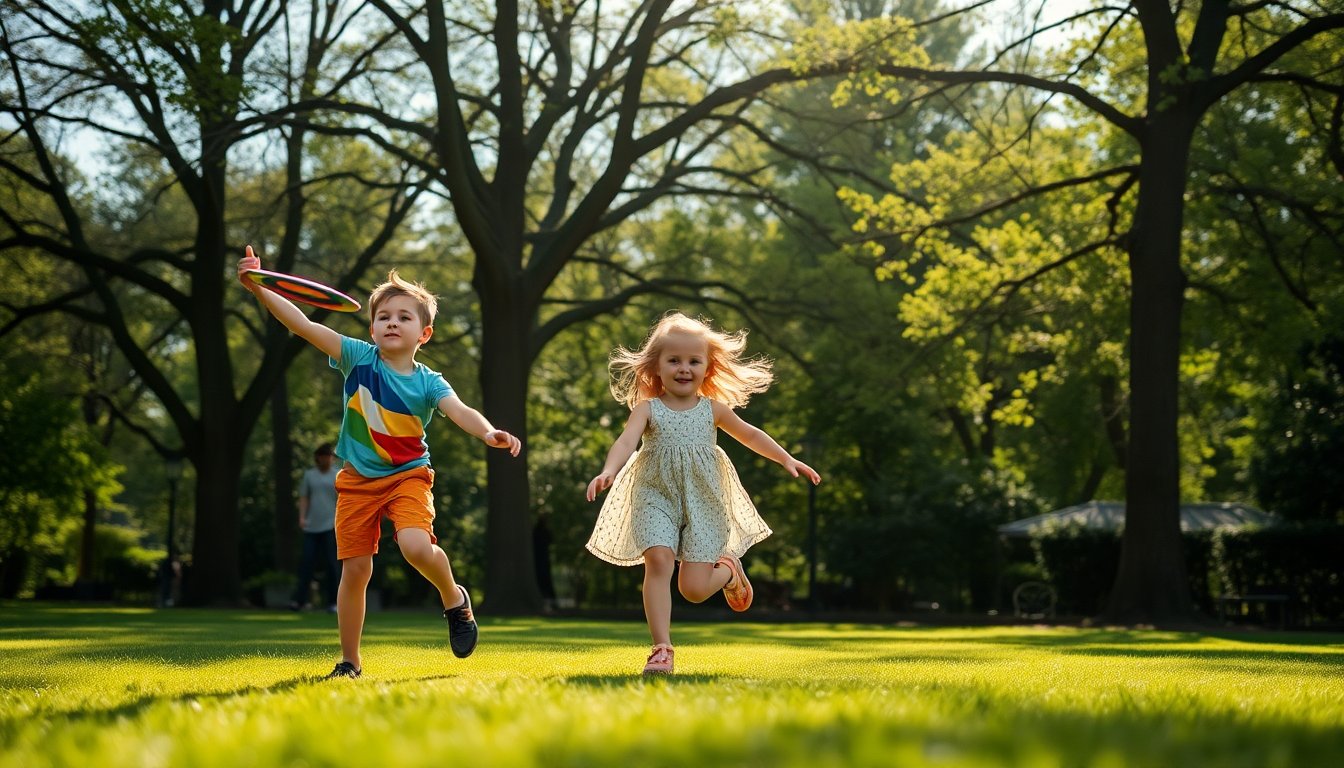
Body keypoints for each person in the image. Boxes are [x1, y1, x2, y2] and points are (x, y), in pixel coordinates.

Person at [238, 246, 522, 680]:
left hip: (408, 476)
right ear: (371, 328)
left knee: (413, 547)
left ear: (423, 334)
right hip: (356, 481)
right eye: (384, 316)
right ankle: (350, 662)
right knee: (355, 571)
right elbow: (302, 322)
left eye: (404, 317)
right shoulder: (356, 357)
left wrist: (487, 432)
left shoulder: (429, 381)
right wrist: (259, 287)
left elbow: (461, 410)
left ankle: (454, 598)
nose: (393, 322)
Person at [585, 311, 820, 675]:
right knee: (658, 559)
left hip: (703, 501)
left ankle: (728, 570)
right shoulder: (647, 409)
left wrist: (786, 458)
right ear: (656, 368)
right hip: (654, 494)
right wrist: (608, 471)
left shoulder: (713, 410)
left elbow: (751, 435)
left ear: (707, 369)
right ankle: (661, 648)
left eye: (693, 361)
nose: (684, 368)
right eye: (674, 360)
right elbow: (626, 441)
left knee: (693, 590)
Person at [290, 443, 340, 612]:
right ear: (318, 457)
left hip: (330, 524)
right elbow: (304, 498)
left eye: (330, 456)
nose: (327, 459)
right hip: (312, 526)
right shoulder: (309, 476)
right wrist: (302, 517)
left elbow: (343, 499)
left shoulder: (337, 475)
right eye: (324, 455)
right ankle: (300, 600)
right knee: (306, 563)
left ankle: (333, 602)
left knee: (331, 564)